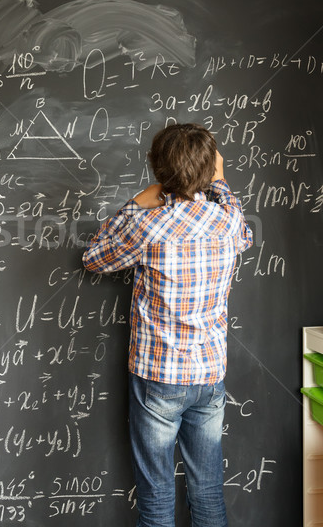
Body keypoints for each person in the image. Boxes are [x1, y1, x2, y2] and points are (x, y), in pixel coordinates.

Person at [82, 123, 253, 527]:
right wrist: (219, 181)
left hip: (158, 375)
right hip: (209, 373)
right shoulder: (228, 220)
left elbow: (94, 257)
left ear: (158, 170)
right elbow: (242, 232)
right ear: (212, 168)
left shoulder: (147, 225)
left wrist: (141, 199)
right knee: (207, 488)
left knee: (157, 491)